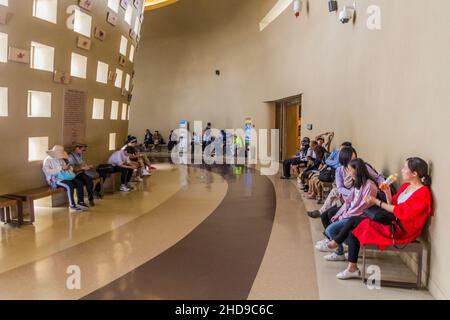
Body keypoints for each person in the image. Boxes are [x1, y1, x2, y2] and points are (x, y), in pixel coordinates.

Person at [322, 157, 432, 280]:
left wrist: (376, 201)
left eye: (405, 168)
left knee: (354, 223)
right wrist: (387, 192)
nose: (402, 170)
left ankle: (337, 245)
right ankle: (350, 265)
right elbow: (393, 205)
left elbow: (401, 212)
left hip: (401, 230)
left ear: (415, 173)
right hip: (393, 221)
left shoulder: (423, 193)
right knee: (354, 228)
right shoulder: (406, 186)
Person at [307, 146, 385, 218]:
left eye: (355, 158)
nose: (353, 161)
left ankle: (335, 214)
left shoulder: (361, 166)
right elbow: (340, 187)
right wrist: (351, 193)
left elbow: (378, 177)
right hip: (349, 194)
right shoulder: (340, 170)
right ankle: (323, 212)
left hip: (362, 195)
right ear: (344, 160)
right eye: (351, 159)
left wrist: (384, 185)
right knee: (335, 192)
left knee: (334, 207)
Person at [43, 145, 89, 212]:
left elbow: (67, 167)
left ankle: (80, 202)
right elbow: (47, 171)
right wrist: (61, 168)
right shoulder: (47, 160)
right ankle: (72, 205)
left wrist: (69, 167)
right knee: (69, 185)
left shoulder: (60, 159)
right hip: (55, 179)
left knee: (79, 182)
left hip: (65, 177)